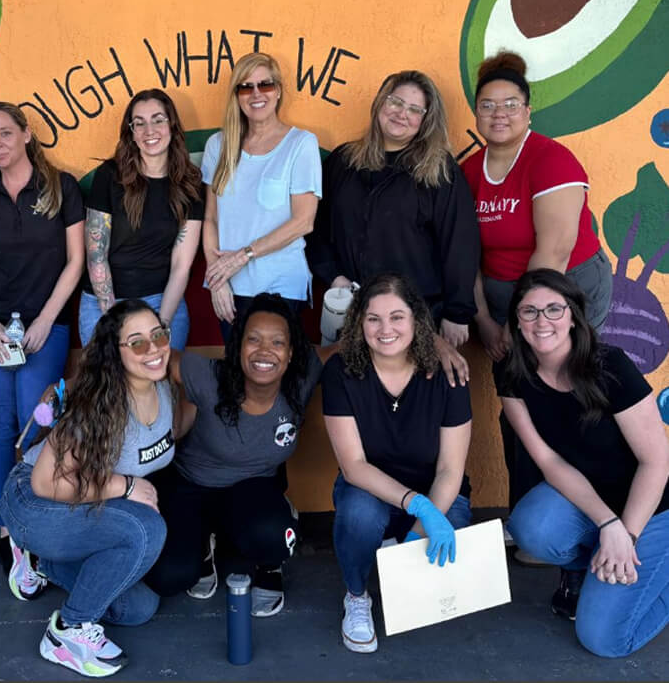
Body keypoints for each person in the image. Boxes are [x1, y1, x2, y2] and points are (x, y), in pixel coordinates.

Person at [461, 52, 613, 518]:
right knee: (517, 404)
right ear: (477, 113)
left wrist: (520, 322)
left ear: (528, 111)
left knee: (570, 391)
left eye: (510, 105)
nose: (499, 114)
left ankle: (599, 507)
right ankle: (529, 515)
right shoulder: (468, 172)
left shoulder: (551, 159)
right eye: (488, 105)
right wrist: (484, 319)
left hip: (566, 290)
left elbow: (554, 252)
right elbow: (463, 255)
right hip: (504, 298)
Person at [0, 299, 175, 678]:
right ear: (117, 352)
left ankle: (39, 561)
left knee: (137, 609)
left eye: (159, 335)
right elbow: (46, 482)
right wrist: (125, 485)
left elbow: (173, 432)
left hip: (78, 505)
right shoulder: (99, 406)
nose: (154, 348)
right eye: (138, 342)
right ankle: (68, 632)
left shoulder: (164, 387)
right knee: (145, 529)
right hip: (33, 500)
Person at [500, 269, 669, 657]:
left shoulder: (611, 366)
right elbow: (547, 460)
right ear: (517, 322)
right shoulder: (511, 374)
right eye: (529, 312)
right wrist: (607, 523)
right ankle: (596, 564)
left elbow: (656, 463)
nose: (542, 321)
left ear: (573, 315)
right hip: (592, 502)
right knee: (532, 527)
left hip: (654, 507)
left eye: (554, 309)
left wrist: (626, 535)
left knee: (604, 641)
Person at [0, 102, 84, 592]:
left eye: (6, 133)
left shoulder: (61, 188)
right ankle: (9, 531)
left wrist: (47, 318)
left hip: (44, 327)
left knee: (37, 428)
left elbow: (75, 262)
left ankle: (38, 523)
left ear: (27, 134)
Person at [146, 293, 329, 618]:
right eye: (253, 339)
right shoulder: (208, 376)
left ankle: (269, 565)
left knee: (274, 537)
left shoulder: (301, 380)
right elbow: (149, 357)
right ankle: (201, 545)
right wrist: (68, 387)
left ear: (290, 354)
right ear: (237, 346)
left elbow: (356, 349)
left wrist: (436, 346)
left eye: (277, 342)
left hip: (254, 489)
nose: (264, 351)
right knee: (168, 576)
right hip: (191, 486)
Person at [322, 274, 472, 653]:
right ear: (359, 322)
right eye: (373, 318)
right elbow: (354, 465)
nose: (385, 329)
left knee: (444, 538)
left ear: (417, 320)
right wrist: (414, 504)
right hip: (371, 489)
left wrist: (424, 520)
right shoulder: (341, 372)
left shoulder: (448, 374)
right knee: (358, 516)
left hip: (436, 490)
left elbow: (451, 469)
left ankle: (397, 549)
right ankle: (356, 596)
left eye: (397, 317)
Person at [309, 70, 478, 349]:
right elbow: (314, 227)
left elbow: (460, 243)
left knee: (409, 389)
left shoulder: (439, 170)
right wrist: (333, 276)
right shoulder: (344, 161)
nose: (402, 113)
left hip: (417, 316)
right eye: (396, 102)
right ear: (380, 104)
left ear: (425, 120)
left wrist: (457, 313)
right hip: (353, 312)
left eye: (414, 109)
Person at [201, 52, 321, 340]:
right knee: (235, 375)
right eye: (246, 86)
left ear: (278, 91)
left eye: (264, 85)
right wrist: (217, 281)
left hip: (281, 288)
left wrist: (243, 256)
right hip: (230, 290)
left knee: (275, 376)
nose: (256, 94)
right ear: (237, 95)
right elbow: (210, 219)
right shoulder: (218, 145)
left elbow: (303, 221)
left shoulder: (301, 144)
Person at [81, 89, 203, 350]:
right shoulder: (110, 175)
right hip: (103, 303)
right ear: (131, 132)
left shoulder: (190, 183)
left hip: (162, 300)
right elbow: (96, 254)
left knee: (161, 388)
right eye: (140, 123)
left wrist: (162, 325)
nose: (150, 130)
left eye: (158, 119)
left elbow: (182, 265)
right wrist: (113, 320)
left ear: (172, 124)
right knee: (109, 388)